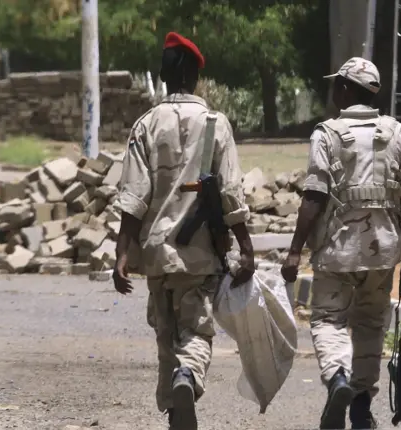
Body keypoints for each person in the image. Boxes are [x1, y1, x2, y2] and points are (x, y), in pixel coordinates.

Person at [112, 31, 255, 430]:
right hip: (200, 252)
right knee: (195, 333)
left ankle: (177, 412)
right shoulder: (216, 124)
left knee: (165, 339)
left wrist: (122, 254)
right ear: (194, 74)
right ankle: (187, 378)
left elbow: (132, 198)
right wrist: (246, 247)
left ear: (165, 74)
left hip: (157, 254)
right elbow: (230, 193)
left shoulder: (145, 125)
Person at [281, 57, 401, 430]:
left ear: (344, 88)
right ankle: (360, 404)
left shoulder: (327, 134)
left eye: (336, 85)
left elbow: (314, 197)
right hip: (383, 250)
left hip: (337, 251)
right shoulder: (397, 134)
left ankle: (338, 378)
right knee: (371, 325)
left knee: (329, 320)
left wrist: (295, 250)